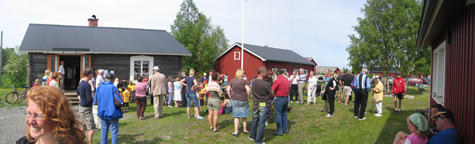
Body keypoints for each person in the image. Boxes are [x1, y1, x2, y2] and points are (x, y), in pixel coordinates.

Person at [16, 86, 86, 144]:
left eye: (38, 116)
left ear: (56, 118)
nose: (30, 121)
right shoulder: (23, 142)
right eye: (29, 113)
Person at [94, 73, 123, 144]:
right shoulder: (113, 88)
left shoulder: (99, 88)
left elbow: (95, 101)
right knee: (114, 132)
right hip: (112, 112)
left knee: (103, 131)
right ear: (113, 80)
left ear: (105, 79)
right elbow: (119, 102)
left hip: (102, 112)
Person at [249, 66, 275, 143]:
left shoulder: (253, 82)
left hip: (256, 103)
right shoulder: (266, 84)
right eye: (266, 71)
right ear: (262, 73)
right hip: (263, 103)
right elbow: (272, 94)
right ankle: (259, 141)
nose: (267, 73)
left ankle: (252, 136)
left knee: (254, 120)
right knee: (261, 122)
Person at [227, 69, 251, 137]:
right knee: (244, 116)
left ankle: (236, 131)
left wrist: (230, 97)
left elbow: (228, 89)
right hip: (244, 99)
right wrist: (248, 97)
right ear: (242, 74)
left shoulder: (232, 80)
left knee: (236, 116)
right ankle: (245, 130)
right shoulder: (245, 81)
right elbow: (248, 90)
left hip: (235, 99)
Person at [76, 68, 96, 144]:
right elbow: (89, 99)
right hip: (86, 108)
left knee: (83, 126)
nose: (92, 76)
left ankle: (80, 141)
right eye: (92, 74)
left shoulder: (81, 83)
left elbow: (77, 92)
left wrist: (80, 99)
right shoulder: (87, 84)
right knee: (91, 128)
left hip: (81, 107)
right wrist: (92, 90)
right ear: (90, 74)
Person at [271, 69, 290, 136]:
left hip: (280, 98)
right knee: (284, 114)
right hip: (286, 98)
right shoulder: (286, 80)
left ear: (276, 74)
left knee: (278, 114)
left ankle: (279, 131)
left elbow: (272, 90)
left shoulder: (277, 81)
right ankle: (286, 129)